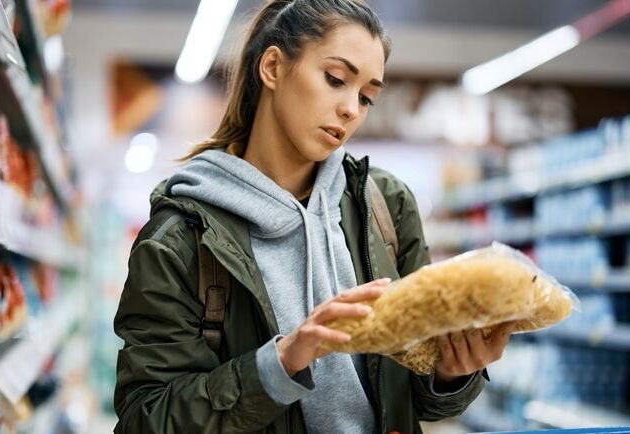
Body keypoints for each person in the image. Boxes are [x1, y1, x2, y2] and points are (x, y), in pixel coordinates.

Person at [113, 1, 515, 433]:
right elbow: (145, 418)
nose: (351, 110)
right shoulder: (179, 237)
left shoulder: (385, 206)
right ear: (272, 67)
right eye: (335, 80)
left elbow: (418, 398)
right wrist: (281, 364)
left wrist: (453, 373)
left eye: (366, 97)